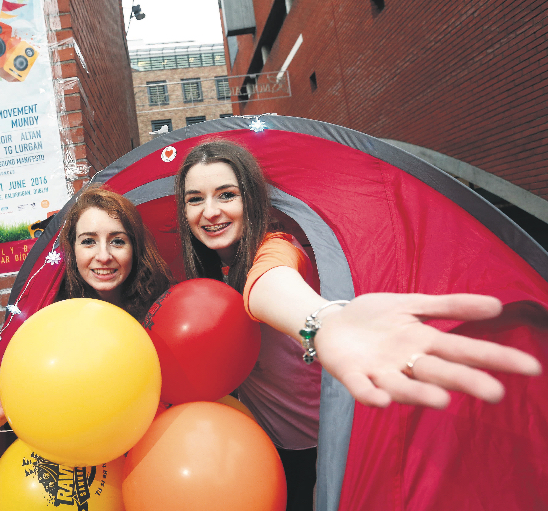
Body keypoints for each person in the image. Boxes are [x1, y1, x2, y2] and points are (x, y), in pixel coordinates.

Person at [174, 140, 542, 511]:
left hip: (325, 444)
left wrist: (324, 321)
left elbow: (269, 282)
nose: (210, 211)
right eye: (195, 199)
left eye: (226, 195)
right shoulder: (204, 278)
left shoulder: (277, 247)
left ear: (251, 200)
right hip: (265, 440)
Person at [0, 185, 174, 437]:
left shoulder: (163, 314)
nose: (103, 255)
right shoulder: (49, 322)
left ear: (135, 248)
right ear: (72, 250)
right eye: (88, 241)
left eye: (117, 241)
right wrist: (8, 397)